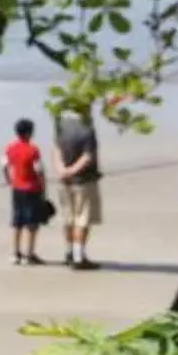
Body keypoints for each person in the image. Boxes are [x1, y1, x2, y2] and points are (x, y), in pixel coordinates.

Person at [56, 106, 103, 269]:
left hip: (64, 181)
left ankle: (69, 252)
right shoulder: (88, 130)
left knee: (68, 218)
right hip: (83, 180)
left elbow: (56, 148)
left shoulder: (62, 124)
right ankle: (78, 257)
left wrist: (61, 169)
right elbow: (88, 156)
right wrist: (72, 170)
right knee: (82, 219)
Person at [4, 118, 49, 264]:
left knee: (17, 220)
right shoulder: (33, 150)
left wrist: (9, 180)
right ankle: (29, 254)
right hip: (32, 189)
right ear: (29, 132)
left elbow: (4, 166)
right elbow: (39, 171)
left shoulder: (10, 148)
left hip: (16, 188)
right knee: (32, 222)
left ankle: (15, 253)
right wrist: (43, 188)